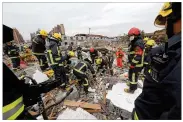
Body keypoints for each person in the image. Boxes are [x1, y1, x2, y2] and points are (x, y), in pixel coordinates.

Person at [132, 2, 181, 120]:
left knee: (133, 76)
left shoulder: (166, 53)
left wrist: (134, 63)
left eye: (166, 21)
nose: (165, 26)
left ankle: (132, 87)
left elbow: (149, 103)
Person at [3, 25, 61, 120]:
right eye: (44, 36)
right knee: (43, 62)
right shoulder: (41, 40)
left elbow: (12, 85)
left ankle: (43, 69)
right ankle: (44, 69)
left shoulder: (38, 39)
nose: (45, 38)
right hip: (17, 116)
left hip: (19, 113)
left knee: (42, 62)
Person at [125, 27, 145, 93]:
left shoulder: (138, 43)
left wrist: (133, 64)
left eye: (131, 35)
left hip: (137, 64)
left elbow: (138, 55)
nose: (130, 37)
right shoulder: (134, 42)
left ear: (136, 35)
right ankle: (131, 84)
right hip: (134, 63)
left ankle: (132, 89)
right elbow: (132, 53)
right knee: (131, 74)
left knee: (133, 76)